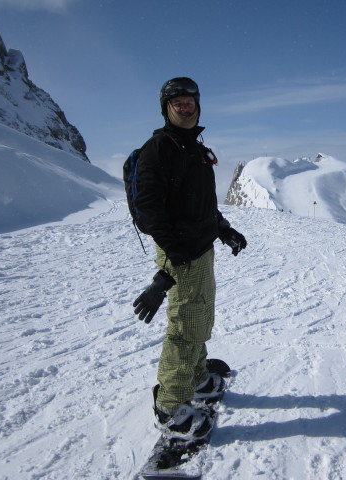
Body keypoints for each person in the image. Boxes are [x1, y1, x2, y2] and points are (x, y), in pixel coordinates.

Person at [132, 77, 247, 441]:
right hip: (180, 252)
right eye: (177, 101)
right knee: (183, 329)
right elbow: (149, 210)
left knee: (199, 317)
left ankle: (196, 377)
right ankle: (170, 407)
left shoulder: (194, 148)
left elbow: (202, 203)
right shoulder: (158, 149)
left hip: (201, 249)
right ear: (165, 107)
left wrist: (223, 228)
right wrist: (170, 262)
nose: (185, 105)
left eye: (190, 100)